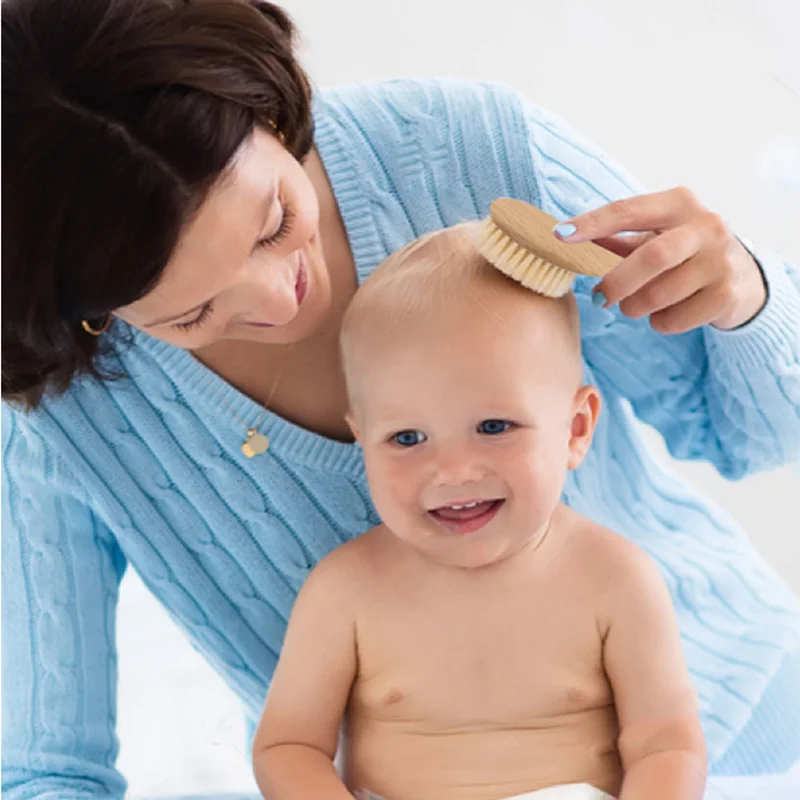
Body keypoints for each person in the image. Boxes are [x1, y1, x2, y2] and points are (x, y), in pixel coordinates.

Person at [2, 0, 798, 796]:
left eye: (273, 222)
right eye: (191, 315)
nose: (279, 303)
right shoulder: (61, 415)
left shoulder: (472, 156)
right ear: (92, 314)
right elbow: (43, 767)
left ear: (264, 105)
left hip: (751, 729)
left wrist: (744, 297)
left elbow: (755, 439)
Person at [251, 224, 708, 800]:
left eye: (494, 427)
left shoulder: (615, 579)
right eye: (407, 438)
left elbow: (667, 744)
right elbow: (288, 747)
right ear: (361, 440)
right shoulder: (346, 590)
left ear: (575, 430)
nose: (453, 470)